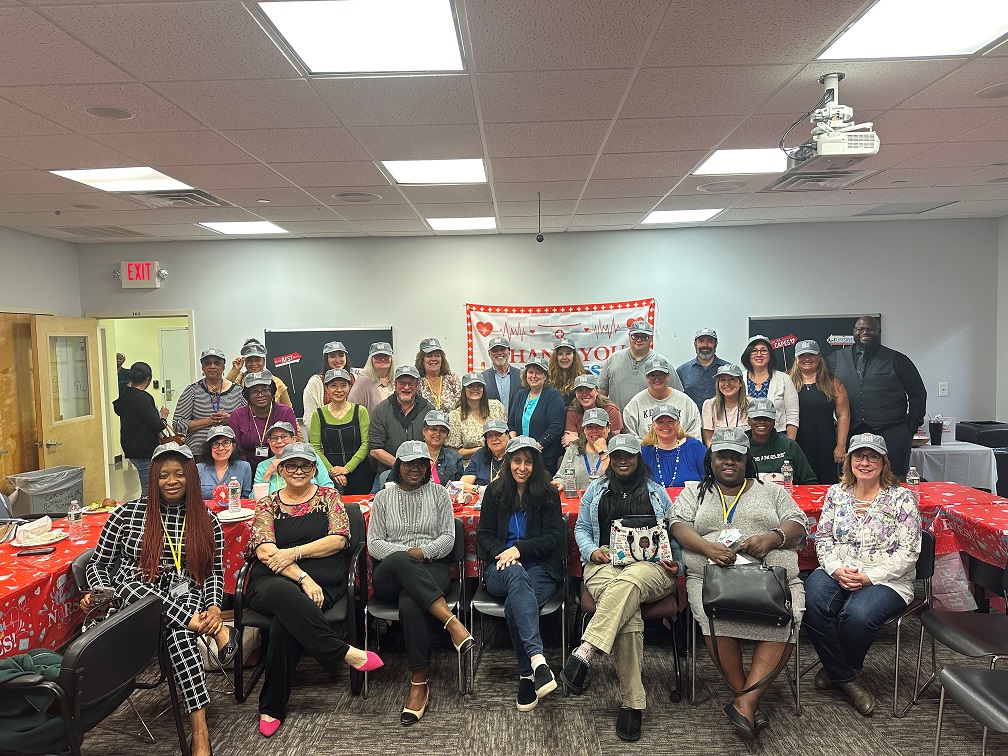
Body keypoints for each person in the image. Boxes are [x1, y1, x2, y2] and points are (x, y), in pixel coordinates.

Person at [86, 442, 232, 756]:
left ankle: (199, 729)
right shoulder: (126, 514)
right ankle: (211, 631)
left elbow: (214, 571)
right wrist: (103, 593)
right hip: (134, 605)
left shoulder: (207, 520)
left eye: (179, 474)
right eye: (163, 475)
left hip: (186, 598)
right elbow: (98, 564)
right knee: (131, 581)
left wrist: (215, 607)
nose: (171, 480)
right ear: (153, 478)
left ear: (191, 477)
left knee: (180, 635)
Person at [669, 428, 807, 741]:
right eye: (722, 455)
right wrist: (707, 548)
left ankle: (744, 702)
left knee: (787, 616)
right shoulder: (696, 492)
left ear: (747, 460)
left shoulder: (769, 490)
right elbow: (677, 525)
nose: (729, 461)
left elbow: (798, 521)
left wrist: (773, 537)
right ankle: (746, 699)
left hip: (771, 576)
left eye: (737, 456)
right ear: (712, 459)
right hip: (711, 577)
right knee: (713, 615)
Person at [246, 442, 383, 737]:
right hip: (272, 583)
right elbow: (267, 552)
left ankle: (271, 707)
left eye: (305, 466)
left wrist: (294, 553)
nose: (298, 471)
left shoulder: (329, 496)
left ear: (314, 469)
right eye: (291, 465)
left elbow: (338, 540)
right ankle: (344, 652)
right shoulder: (267, 504)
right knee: (285, 594)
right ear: (280, 470)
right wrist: (303, 579)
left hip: (326, 586)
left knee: (285, 625)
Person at [560, 434, 684, 742]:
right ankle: (632, 704)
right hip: (604, 563)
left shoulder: (658, 494)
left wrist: (676, 563)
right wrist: (591, 552)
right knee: (627, 612)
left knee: (629, 583)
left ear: (638, 458)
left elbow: (674, 533)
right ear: (610, 459)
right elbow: (583, 529)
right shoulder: (596, 491)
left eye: (629, 455)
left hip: (652, 567)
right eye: (617, 456)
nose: (623, 461)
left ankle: (585, 651)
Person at [803, 433, 922, 717]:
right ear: (849, 460)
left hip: (888, 579)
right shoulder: (836, 493)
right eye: (859, 456)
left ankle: (837, 670)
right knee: (809, 600)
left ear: (883, 462)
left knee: (857, 616)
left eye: (872, 457)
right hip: (838, 569)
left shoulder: (902, 498)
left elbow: (909, 552)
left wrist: (869, 577)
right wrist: (835, 569)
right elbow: (822, 539)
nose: (865, 462)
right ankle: (847, 679)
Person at [367, 440, 475, 726]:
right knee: (403, 562)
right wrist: (408, 556)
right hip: (389, 574)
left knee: (410, 601)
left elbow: (448, 540)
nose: (415, 468)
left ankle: (419, 682)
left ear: (429, 466)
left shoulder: (440, 494)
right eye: (409, 463)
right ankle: (453, 625)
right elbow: (374, 544)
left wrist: (424, 552)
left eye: (421, 463)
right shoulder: (383, 498)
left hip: (432, 569)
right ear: (398, 465)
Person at [477, 436, 565, 710]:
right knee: (515, 576)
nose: (522, 467)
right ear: (508, 462)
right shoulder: (494, 492)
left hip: (539, 567)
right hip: (500, 568)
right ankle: (538, 660)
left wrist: (520, 550)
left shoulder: (548, 494)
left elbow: (554, 537)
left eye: (528, 462)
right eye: (517, 461)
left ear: (536, 465)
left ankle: (527, 673)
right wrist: (505, 554)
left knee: (518, 599)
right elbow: (484, 535)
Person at [826, 316, 926, 479]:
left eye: (871, 329)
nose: (865, 332)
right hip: (851, 432)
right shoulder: (834, 359)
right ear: (854, 332)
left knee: (894, 481)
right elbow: (824, 391)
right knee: (850, 481)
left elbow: (917, 392)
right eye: (861, 329)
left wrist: (912, 425)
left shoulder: (898, 359)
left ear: (879, 332)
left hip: (892, 432)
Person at [788, 339, 850, 485]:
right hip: (796, 444)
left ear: (819, 357)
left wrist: (841, 446)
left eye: (811, 354)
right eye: (802, 355)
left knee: (825, 486)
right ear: (796, 359)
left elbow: (843, 415)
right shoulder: (786, 380)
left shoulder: (832, 381)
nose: (807, 359)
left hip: (825, 445)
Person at [172, 348, 246, 458]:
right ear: (202, 367)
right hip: (199, 452)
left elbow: (249, 421)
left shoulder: (238, 391)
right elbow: (177, 424)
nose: (212, 366)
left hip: (230, 451)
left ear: (223, 366)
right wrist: (209, 421)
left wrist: (230, 419)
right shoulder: (192, 391)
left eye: (217, 363)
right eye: (208, 363)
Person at [309, 368, 371, 495]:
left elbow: (366, 443)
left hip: (360, 473)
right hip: (329, 476)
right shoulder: (318, 414)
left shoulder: (360, 411)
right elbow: (315, 447)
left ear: (350, 387)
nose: (339, 390)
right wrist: (332, 471)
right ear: (326, 388)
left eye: (343, 385)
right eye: (333, 386)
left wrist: (347, 469)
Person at [596, 321, 683, 411]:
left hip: (651, 423)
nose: (639, 340)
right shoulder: (613, 359)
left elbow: (677, 397)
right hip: (618, 423)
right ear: (629, 336)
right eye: (635, 336)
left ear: (651, 338)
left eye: (644, 337)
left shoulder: (663, 364)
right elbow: (601, 394)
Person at [113, 361, 170, 499]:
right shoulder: (142, 398)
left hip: (130, 447)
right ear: (148, 378)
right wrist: (163, 417)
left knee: (149, 485)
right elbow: (157, 425)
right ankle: (145, 516)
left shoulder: (126, 395)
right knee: (149, 489)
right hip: (144, 449)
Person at [369, 365, 434, 480]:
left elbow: (435, 444)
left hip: (421, 473)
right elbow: (375, 449)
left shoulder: (428, 410)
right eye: (402, 383)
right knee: (374, 498)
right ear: (395, 384)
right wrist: (401, 466)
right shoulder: (381, 410)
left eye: (411, 384)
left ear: (418, 385)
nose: (406, 387)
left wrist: (417, 468)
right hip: (389, 472)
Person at [230, 371, 300, 472]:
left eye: (265, 390)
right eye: (254, 392)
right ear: (247, 395)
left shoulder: (285, 412)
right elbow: (237, 452)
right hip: (247, 470)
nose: (260, 395)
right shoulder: (237, 416)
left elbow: (290, 446)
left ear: (272, 392)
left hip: (282, 468)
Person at [507, 358, 565, 475]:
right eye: (530, 372)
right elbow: (511, 423)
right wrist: (516, 446)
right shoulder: (520, 395)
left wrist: (533, 449)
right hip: (520, 457)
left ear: (545, 376)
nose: (534, 376)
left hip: (544, 459)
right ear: (526, 374)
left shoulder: (553, 395)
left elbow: (555, 428)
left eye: (538, 373)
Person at [621, 357, 701, 440]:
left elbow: (695, 435)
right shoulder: (635, 404)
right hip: (646, 451)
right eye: (652, 375)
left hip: (681, 451)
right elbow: (631, 438)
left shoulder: (686, 402)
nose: (657, 379)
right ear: (646, 377)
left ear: (668, 376)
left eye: (662, 375)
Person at [746, 398, 817, 484]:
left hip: (787, 494)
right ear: (749, 421)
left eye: (767, 418)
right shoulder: (742, 448)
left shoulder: (790, 446)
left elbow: (809, 481)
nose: (762, 422)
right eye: (757, 418)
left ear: (774, 421)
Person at [741, 335, 799, 439]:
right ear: (748, 355)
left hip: (778, 438)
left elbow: (792, 416)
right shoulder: (739, 379)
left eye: (764, 351)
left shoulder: (784, 379)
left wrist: (790, 444)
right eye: (754, 351)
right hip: (746, 440)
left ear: (770, 355)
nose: (759, 354)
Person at [256, 421, 333, 494]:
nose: (279, 441)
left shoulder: (311, 458)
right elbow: (254, 498)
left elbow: (328, 487)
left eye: (284, 437)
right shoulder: (262, 466)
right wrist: (268, 473)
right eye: (274, 438)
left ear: (294, 440)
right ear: (269, 442)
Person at [640, 405, 706, 488]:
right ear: (653, 425)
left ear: (677, 423)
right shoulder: (644, 452)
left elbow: (710, 479)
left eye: (670, 421)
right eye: (660, 422)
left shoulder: (695, 447)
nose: (665, 425)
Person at [446, 372, 507, 460]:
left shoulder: (497, 407)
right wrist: (479, 450)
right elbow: (453, 452)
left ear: (484, 388)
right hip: (471, 465)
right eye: (470, 386)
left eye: (479, 385)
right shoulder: (455, 416)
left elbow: (506, 436)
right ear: (464, 389)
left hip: (500, 461)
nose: (475, 389)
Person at [552, 407, 611, 492]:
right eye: (589, 427)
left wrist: (603, 452)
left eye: (599, 427)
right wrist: (559, 483)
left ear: (608, 427)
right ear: (584, 430)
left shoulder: (615, 449)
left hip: (605, 502)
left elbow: (617, 481)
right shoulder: (574, 448)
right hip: (576, 501)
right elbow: (561, 477)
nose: (594, 431)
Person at [302, 341, 353, 432]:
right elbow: (310, 419)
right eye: (332, 356)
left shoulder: (356, 379)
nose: (337, 360)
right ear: (326, 359)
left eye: (341, 355)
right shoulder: (316, 383)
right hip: (323, 440)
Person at [562, 373, 623, 448]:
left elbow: (614, 443)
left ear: (597, 391)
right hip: (580, 456)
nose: (584, 394)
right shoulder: (572, 412)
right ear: (575, 393)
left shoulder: (611, 410)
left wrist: (577, 441)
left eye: (589, 389)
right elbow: (569, 444)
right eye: (580, 390)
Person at [227, 339, 293, 407]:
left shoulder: (277, 383)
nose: (253, 364)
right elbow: (223, 392)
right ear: (244, 362)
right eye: (249, 360)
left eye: (257, 360)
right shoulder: (237, 380)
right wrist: (235, 370)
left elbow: (289, 411)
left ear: (264, 361)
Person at [677, 328, 728, 411]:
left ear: (716, 344)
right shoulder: (682, 371)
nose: (705, 345)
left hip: (720, 420)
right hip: (690, 421)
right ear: (695, 344)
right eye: (701, 341)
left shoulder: (727, 370)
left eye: (710, 341)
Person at [196, 425, 252, 499]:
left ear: (233, 446)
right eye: (215, 444)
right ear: (209, 448)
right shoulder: (198, 469)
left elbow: (246, 497)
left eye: (226, 443)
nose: (221, 448)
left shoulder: (244, 467)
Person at [701, 363, 750, 446]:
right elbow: (709, 440)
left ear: (740, 383)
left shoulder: (751, 404)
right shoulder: (709, 405)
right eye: (722, 380)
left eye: (732, 379)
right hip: (719, 455)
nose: (727, 384)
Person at [347, 342, 396, 417]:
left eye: (386, 356)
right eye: (378, 356)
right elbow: (352, 410)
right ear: (371, 359)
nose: (382, 359)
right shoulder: (363, 382)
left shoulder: (396, 381)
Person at [415, 337, 462, 413]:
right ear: (422, 359)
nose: (433, 359)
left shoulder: (452, 379)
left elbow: (460, 406)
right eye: (429, 356)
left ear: (442, 358)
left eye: (437, 355)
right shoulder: (417, 381)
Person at [420, 410, 465, 486]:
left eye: (442, 431)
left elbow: (459, 487)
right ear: (424, 431)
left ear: (447, 435)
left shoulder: (455, 458)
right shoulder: (410, 453)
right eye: (433, 429)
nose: (437, 434)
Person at [463, 419, 510, 489]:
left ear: (508, 435)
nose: (494, 439)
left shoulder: (515, 455)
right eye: (490, 436)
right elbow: (463, 484)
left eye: (498, 434)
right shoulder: (479, 455)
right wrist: (484, 489)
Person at [482, 336, 522, 416]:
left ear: (509, 352)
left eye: (503, 349)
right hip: (492, 426)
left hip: (517, 427)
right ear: (489, 353)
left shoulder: (521, 375)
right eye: (495, 350)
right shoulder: (483, 377)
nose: (499, 353)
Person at [546, 337, 587, 404]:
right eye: (560, 354)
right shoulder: (547, 377)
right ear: (555, 357)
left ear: (574, 356)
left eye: (568, 353)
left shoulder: (585, 375)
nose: (564, 357)